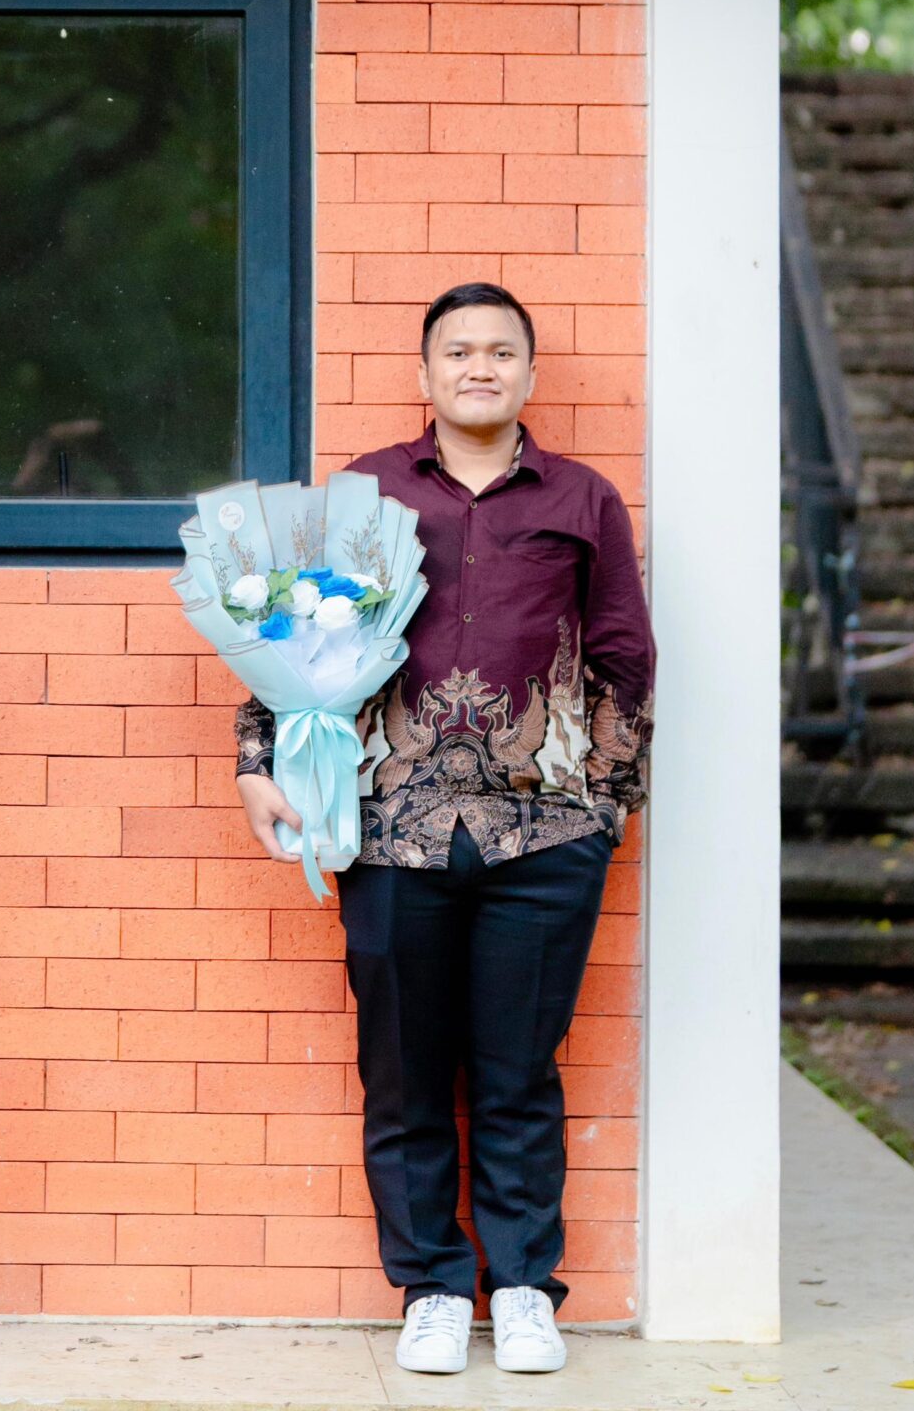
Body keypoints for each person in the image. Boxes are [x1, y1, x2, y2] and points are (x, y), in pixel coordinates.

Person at [235, 282, 654, 1379]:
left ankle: (520, 1288)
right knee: (406, 1073)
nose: (480, 367)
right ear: (424, 374)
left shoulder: (583, 499)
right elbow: (288, 637)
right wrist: (256, 764)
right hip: (387, 833)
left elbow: (625, 654)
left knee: (518, 1073)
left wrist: (605, 805)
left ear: (529, 373)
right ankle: (429, 1286)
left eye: (501, 351)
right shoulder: (367, 490)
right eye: (458, 351)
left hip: (544, 837)